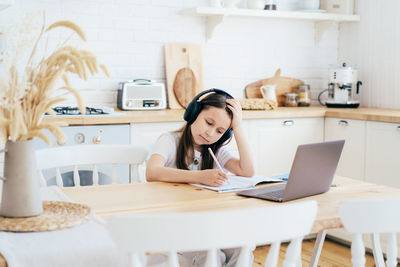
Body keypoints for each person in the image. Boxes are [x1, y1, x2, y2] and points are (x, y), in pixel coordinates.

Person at [146, 88, 255, 267]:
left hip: (206, 225)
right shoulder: (169, 140)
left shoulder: (215, 150)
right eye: (208, 123)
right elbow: (152, 172)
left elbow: (247, 170)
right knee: (211, 253)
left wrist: (238, 128)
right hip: (174, 226)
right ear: (193, 113)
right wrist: (199, 176)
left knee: (242, 247)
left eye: (220, 131)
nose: (210, 134)